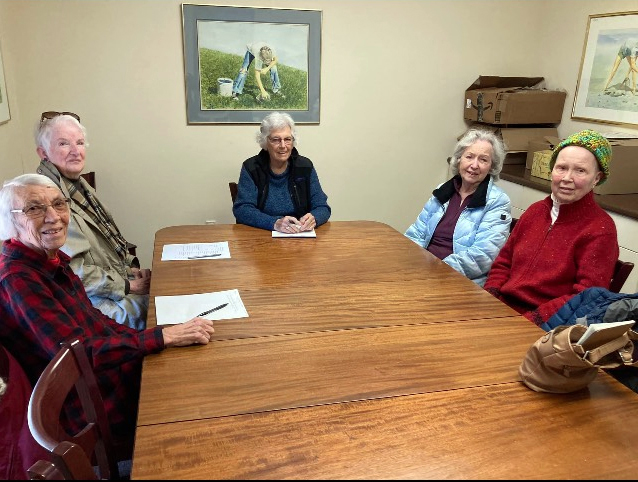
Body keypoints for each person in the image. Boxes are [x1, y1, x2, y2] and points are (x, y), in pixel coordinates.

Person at [0, 173, 216, 451]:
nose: (53, 217)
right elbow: (80, 355)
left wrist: (157, 337)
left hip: (106, 376)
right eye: (34, 208)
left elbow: (95, 321)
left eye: (59, 204)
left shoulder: (49, 259)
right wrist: (160, 338)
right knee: (201, 399)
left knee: (195, 364)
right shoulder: (18, 279)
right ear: (10, 220)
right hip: (93, 406)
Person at [484, 129, 619, 326]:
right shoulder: (535, 211)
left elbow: (584, 297)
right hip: (501, 309)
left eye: (580, 170)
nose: (567, 178)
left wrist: (530, 321)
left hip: (546, 324)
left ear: (596, 178)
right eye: (561, 168)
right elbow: (504, 262)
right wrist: (490, 298)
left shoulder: (600, 229)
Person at [35, 111, 149, 330]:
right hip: (93, 305)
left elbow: (107, 243)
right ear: (43, 153)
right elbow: (75, 273)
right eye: (63, 144)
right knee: (165, 309)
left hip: (110, 287)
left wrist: (130, 269)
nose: (76, 151)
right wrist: (128, 285)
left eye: (80, 142)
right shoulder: (47, 198)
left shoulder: (77, 185)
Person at [404, 128, 511, 286]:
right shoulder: (443, 190)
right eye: (469, 156)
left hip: (459, 281)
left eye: (483, 160)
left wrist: (436, 270)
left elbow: (482, 256)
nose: (474, 165)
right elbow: (416, 234)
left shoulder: (497, 201)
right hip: (423, 272)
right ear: (459, 159)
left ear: (491, 166)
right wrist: (408, 261)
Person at [233, 112, 331, 233]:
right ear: (265, 142)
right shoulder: (251, 167)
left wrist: (315, 218)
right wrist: (274, 223)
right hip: (263, 234)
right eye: (276, 140)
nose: (283, 145)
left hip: (300, 236)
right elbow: (242, 209)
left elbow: (322, 206)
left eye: (287, 139)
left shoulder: (305, 166)